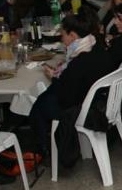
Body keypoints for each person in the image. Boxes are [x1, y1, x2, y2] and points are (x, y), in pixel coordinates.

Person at [28, 9, 111, 155]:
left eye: (63, 35)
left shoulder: (80, 60)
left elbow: (66, 97)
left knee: (40, 104)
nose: (61, 39)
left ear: (72, 36)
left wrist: (54, 78)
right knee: (45, 98)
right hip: (98, 99)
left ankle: (43, 147)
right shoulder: (95, 45)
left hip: (82, 106)